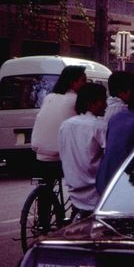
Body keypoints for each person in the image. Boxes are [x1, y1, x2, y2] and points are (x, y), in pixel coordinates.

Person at [57, 82, 107, 217]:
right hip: (94, 188)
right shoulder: (99, 126)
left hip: (73, 184)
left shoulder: (65, 125)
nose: (106, 105)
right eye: (103, 101)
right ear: (92, 104)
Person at [30, 65, 87, 181]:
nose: (85, 84)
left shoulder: (49, 97)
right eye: (83, 80)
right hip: (61, 157)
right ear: (72, 82)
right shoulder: (76, 100)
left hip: (40, 154)